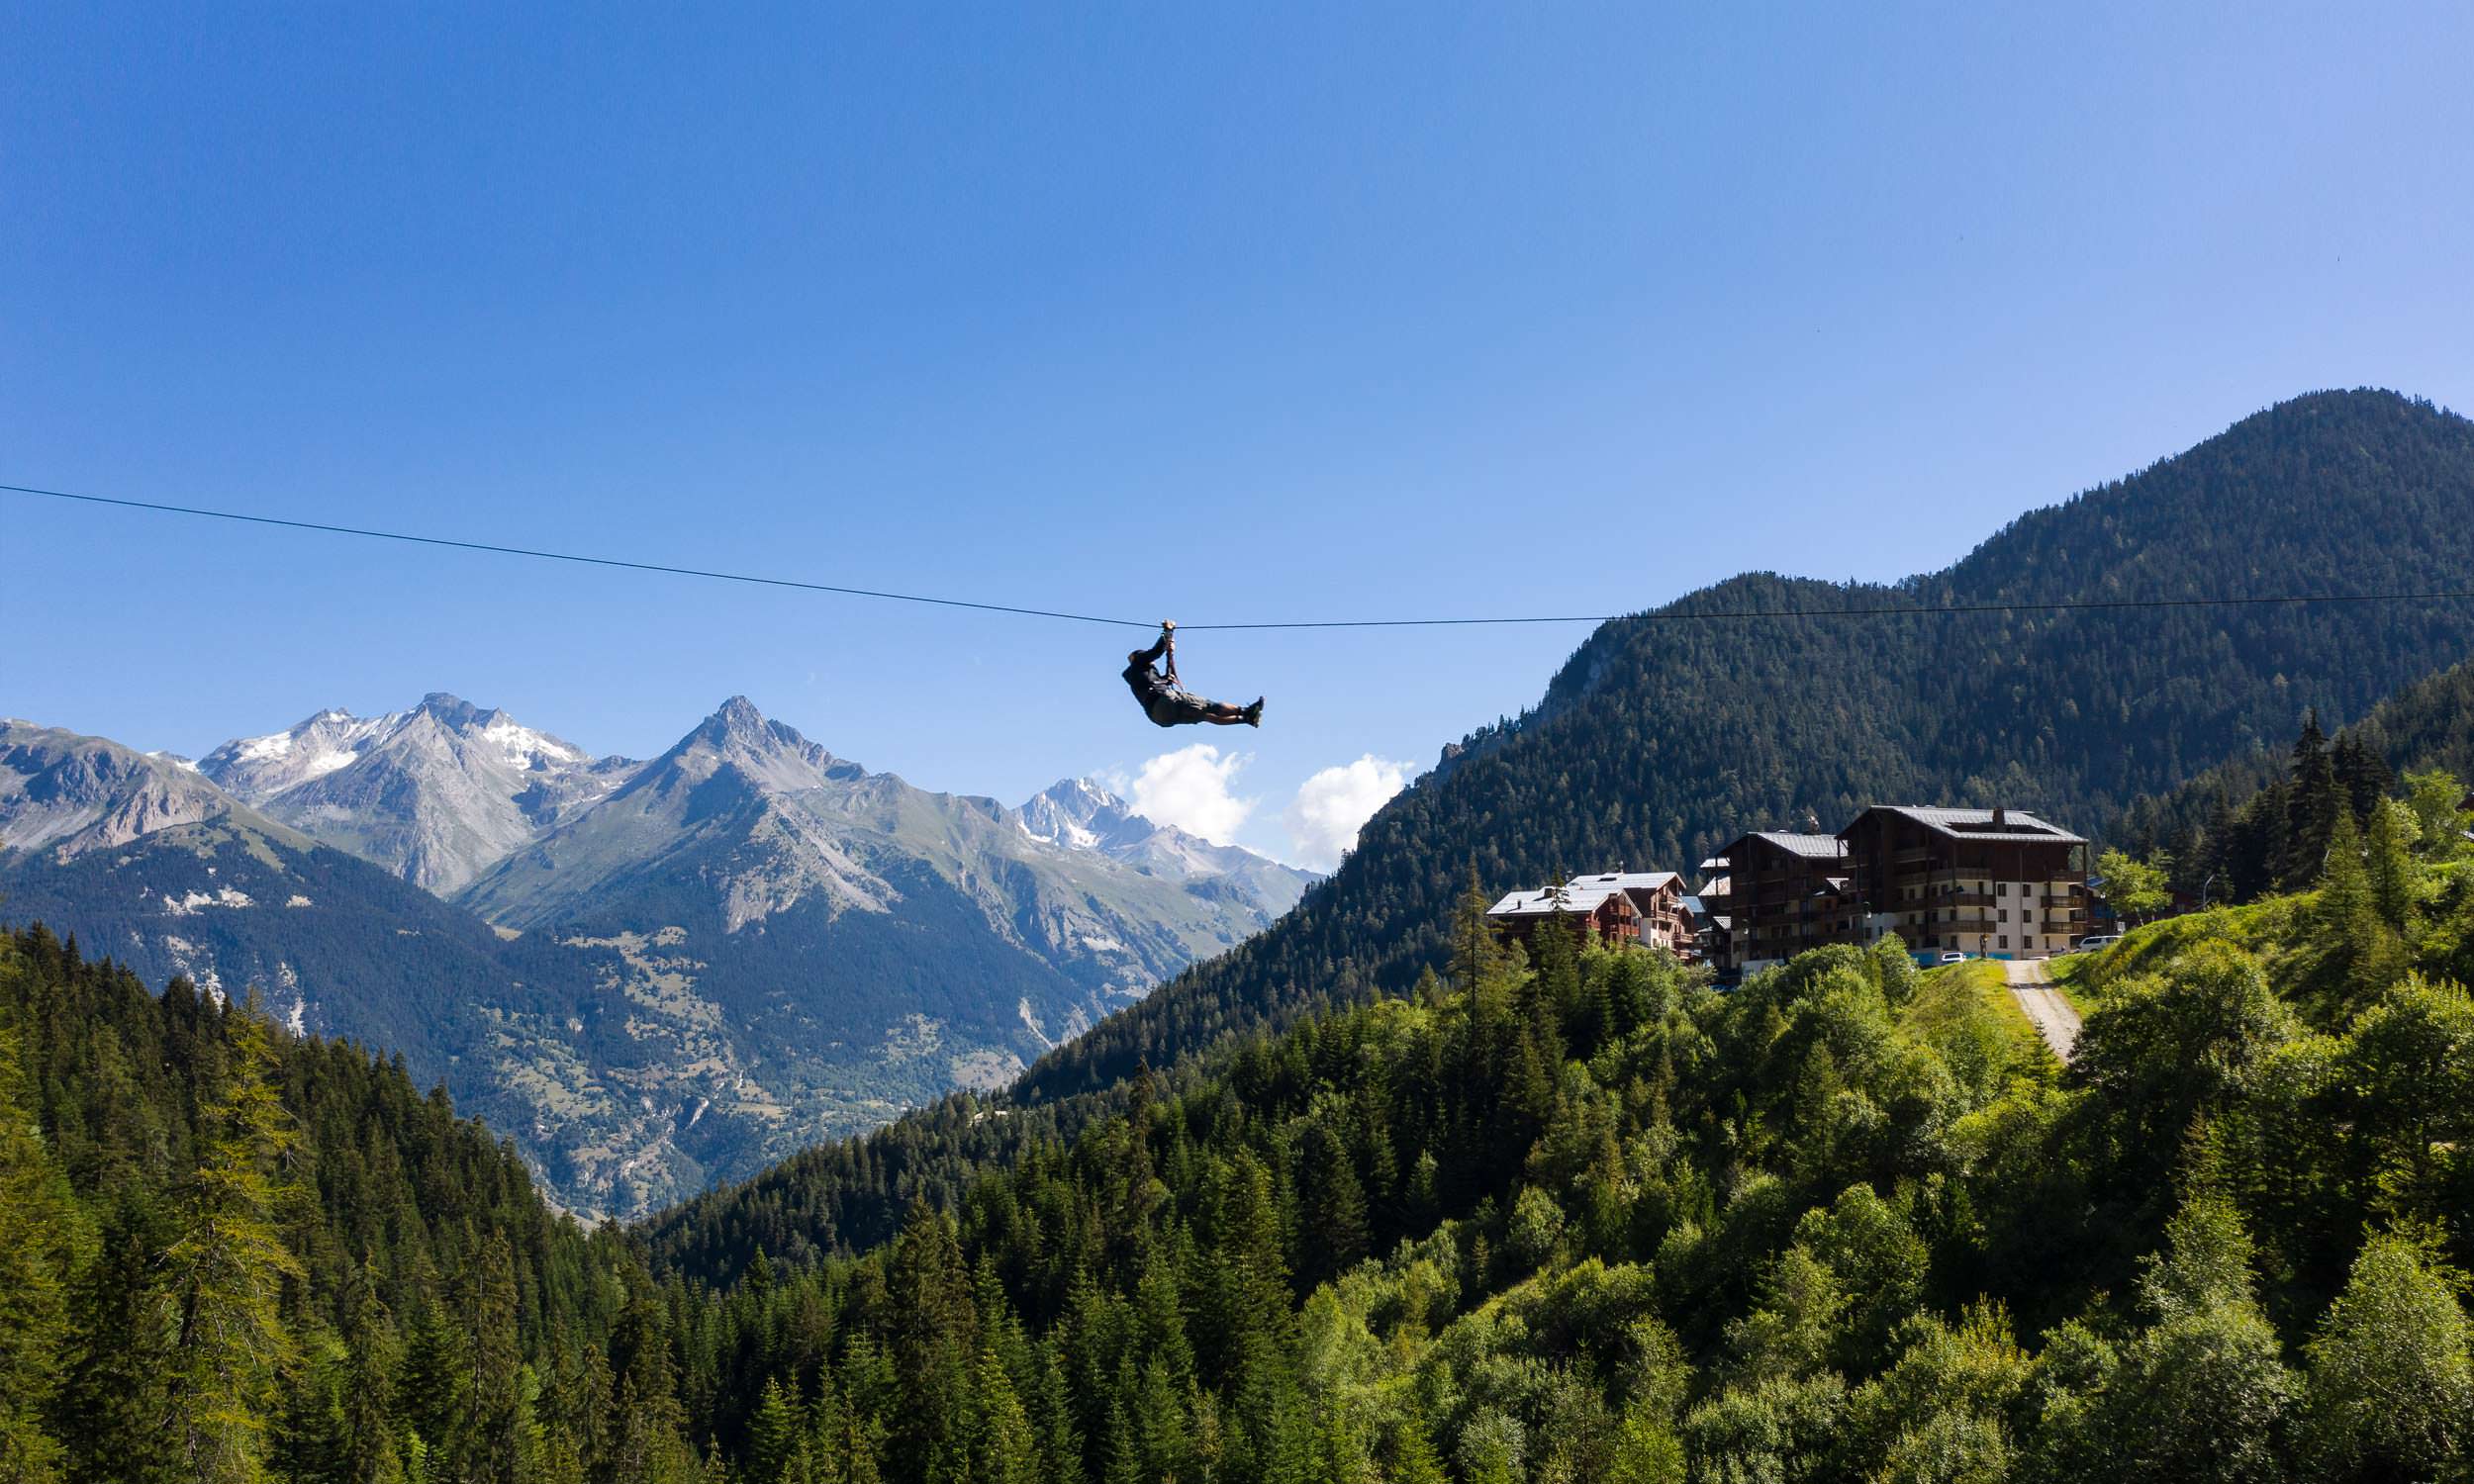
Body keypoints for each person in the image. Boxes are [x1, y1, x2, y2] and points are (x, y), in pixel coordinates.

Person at [1123, 621, 1263, 728]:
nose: (1152, 662)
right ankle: (1246, 711)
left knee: (1206, 716)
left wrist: (1166, 677)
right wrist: (1168, 630)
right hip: (1163, 701)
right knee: (1209, 706)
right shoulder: (1139, 662)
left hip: (1159, 717)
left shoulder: (1137, 678)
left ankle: (1246, 719)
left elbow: (1152, 684)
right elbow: (1156, 652)